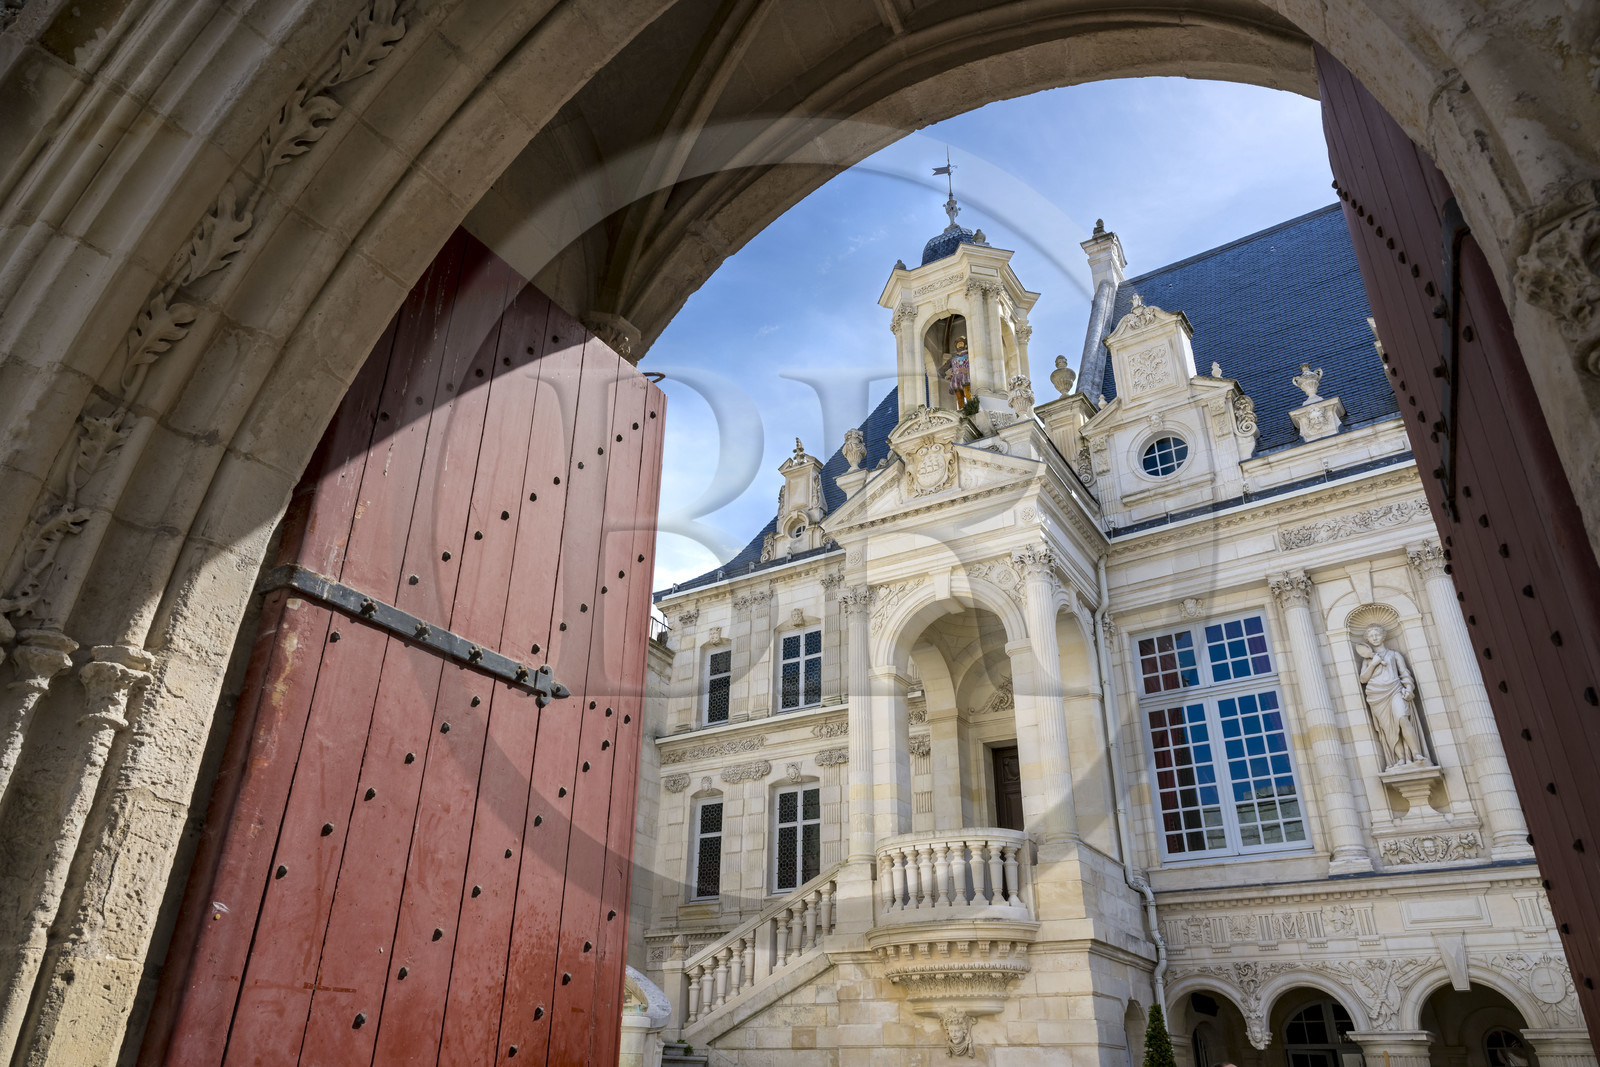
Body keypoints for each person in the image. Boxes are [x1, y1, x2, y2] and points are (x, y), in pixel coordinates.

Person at [1357, 624, 1427, 767]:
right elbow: (1363, 679)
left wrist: (1409, 688)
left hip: (1395, 689)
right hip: (1376, 695)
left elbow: (1405, 674)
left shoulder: (1394, 655)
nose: (1374, 638)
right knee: (1388, 728)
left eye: (1377, 634)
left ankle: (1415, 753)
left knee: (1402, 718)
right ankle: (1400, 758)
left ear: (1383, 636)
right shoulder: (1368, 660)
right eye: (1371, 636)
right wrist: (1373, 664)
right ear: (1368, 640)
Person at [941, 335, 973, 409]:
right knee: (959, 399)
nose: (959, 346)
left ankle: (972, 409)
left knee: (968, 395)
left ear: (965, 345)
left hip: (966, 378)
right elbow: (940, 371)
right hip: (956, 380)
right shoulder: (952, 359)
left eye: (961, 343)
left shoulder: (970, 356)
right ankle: (962, 411)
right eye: (958, 344)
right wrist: (947, 377)